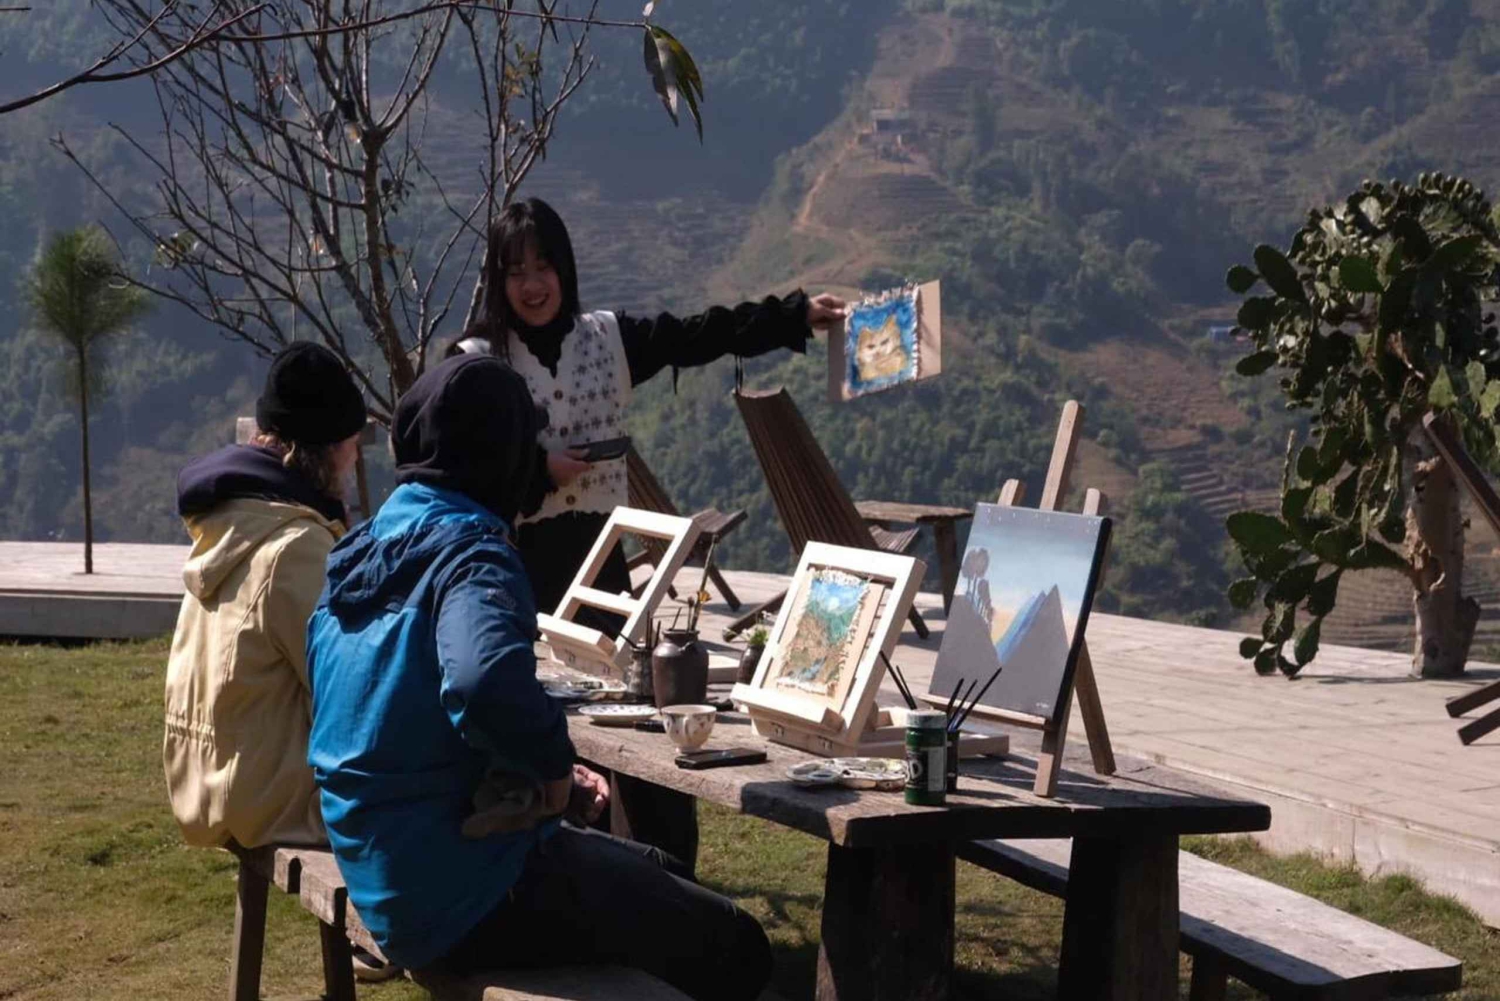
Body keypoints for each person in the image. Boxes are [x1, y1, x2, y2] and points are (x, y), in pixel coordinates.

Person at [304, 354, 772, 1001]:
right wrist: (553, 767)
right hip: (466, 893)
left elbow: (390, 721)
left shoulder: (357, 557)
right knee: (737, 944)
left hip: (385, 872)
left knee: (659, 870)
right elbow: (481, 680)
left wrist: (532, 775)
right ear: (502, 455)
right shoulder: (470, 550)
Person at [448, 197, 845, 870]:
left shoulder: (607, 339)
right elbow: (452, 464)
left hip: (603, 570)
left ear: (566, 269)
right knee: (522, 724)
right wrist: (537, 472)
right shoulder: (476, 361)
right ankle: (533, 861)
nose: (533, 284)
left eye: (545, 266)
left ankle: (649, 864)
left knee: (624, 718)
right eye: (516, 271)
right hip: (510, 570)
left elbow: (698, 334)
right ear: (498, 279)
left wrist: (791, 315)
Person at [163, 341, 365, 851]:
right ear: (326, 449)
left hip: (206, 780)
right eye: (351, 441)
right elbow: (350, 690)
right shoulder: (296, 546)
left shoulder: (230, 519)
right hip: (277, 799)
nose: (357, 455)